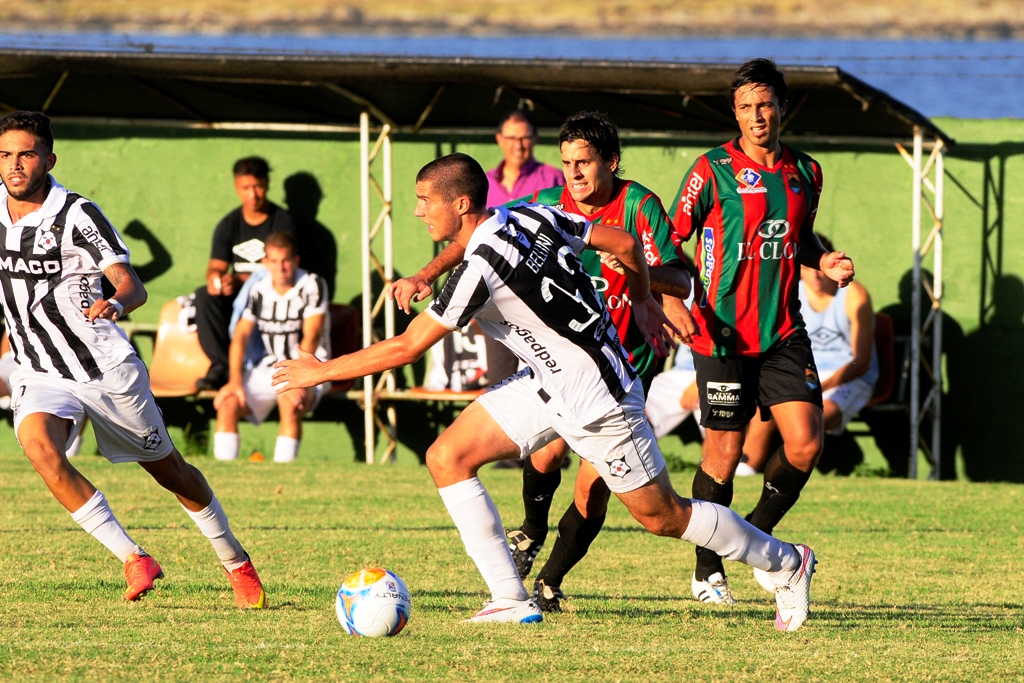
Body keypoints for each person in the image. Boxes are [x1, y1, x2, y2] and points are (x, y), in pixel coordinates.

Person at [273, 152, 816, 630]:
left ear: (460, 204)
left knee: (664, 517)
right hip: (547, 382)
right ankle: (510, 599)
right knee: (448, 456)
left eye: (423, 200)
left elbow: (408, 347)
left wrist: (320, 371)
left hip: (600, 399)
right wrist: (645, 299)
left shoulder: (481, 267)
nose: (417, 211)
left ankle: (787, 562)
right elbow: (624, 242)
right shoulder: (531, 215)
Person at [391, 112, 693, 611]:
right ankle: (531, 534)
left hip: (619, 359)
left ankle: (550, 581)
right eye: (567, 162)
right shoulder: (547, 203)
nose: (573, 174)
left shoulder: (640, 205)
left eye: (584, 163)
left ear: (611, 162)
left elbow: (682, 280)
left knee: (594, 489)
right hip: (559, 361)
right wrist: (427, 273)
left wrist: (642, 283)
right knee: (544, 455)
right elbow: (477, 233)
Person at [0, 110, 265, 606]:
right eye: (5, 154)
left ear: (49, 160)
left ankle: (235, 559)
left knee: (170, 472)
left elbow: (131, 284)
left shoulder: (76, 214)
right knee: (40, 449)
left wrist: (116, 304)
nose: (14, 164)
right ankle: (134, 558)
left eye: (26, 154)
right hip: (37, 367)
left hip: (103, 368)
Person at [668, 58, 853, 605]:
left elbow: (802, 238)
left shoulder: (807, 172)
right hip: (721, 334)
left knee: (807, 442)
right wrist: (670, 299)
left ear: (782, 108)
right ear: (735, 112)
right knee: (723, 457)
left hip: (782, 330)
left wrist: (826, 260)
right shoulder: (711, 170)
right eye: (746, 106)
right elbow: (669, 239)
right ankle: (707, 571)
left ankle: (752, 538)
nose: (756, 115)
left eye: (765, 104)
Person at [742, 235, 877, 474]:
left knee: (810, 423)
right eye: (806, 268)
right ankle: (745, 473)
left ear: (833, 263)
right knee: (766, 413)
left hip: (849, 377)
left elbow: (861, 363)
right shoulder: (790, 292)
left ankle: (784, 480)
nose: (815, 275)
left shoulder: (854, 295)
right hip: (807, 373)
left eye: (819, 268)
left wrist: (818, 388)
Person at [212, 231, 330, 464]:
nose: (280, 268)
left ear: (296, 260)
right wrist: (234, 381)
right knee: (228, 403)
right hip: (268, 368)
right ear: (264, 262)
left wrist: (301, 379)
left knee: (290, 403)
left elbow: (313, 335)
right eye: (274, 261)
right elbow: (241, 335)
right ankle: (223, 475)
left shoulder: (312, 284)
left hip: (311, 367)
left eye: (285, 261)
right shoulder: (258, 288)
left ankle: (282, 474)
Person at [194, 156, 296, 391]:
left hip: (270, 298)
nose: (253, 195)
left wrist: (240, 281)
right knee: (204, 296)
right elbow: (215, 267)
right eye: (246, 188)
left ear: (267, 184)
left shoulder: (283, 223)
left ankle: (251, 366)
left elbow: (283, 271)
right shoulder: (228, 224)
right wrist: (216, 281)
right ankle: (222, 367)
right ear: (236, 187)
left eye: (257, 187)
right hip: (237, 298)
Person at [485, 110, 564, 209]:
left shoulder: (554, 179)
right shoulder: (484, 183)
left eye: (525, 138)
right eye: (511, 138)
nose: (518, 146)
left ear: (535, 139)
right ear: (499, 139)